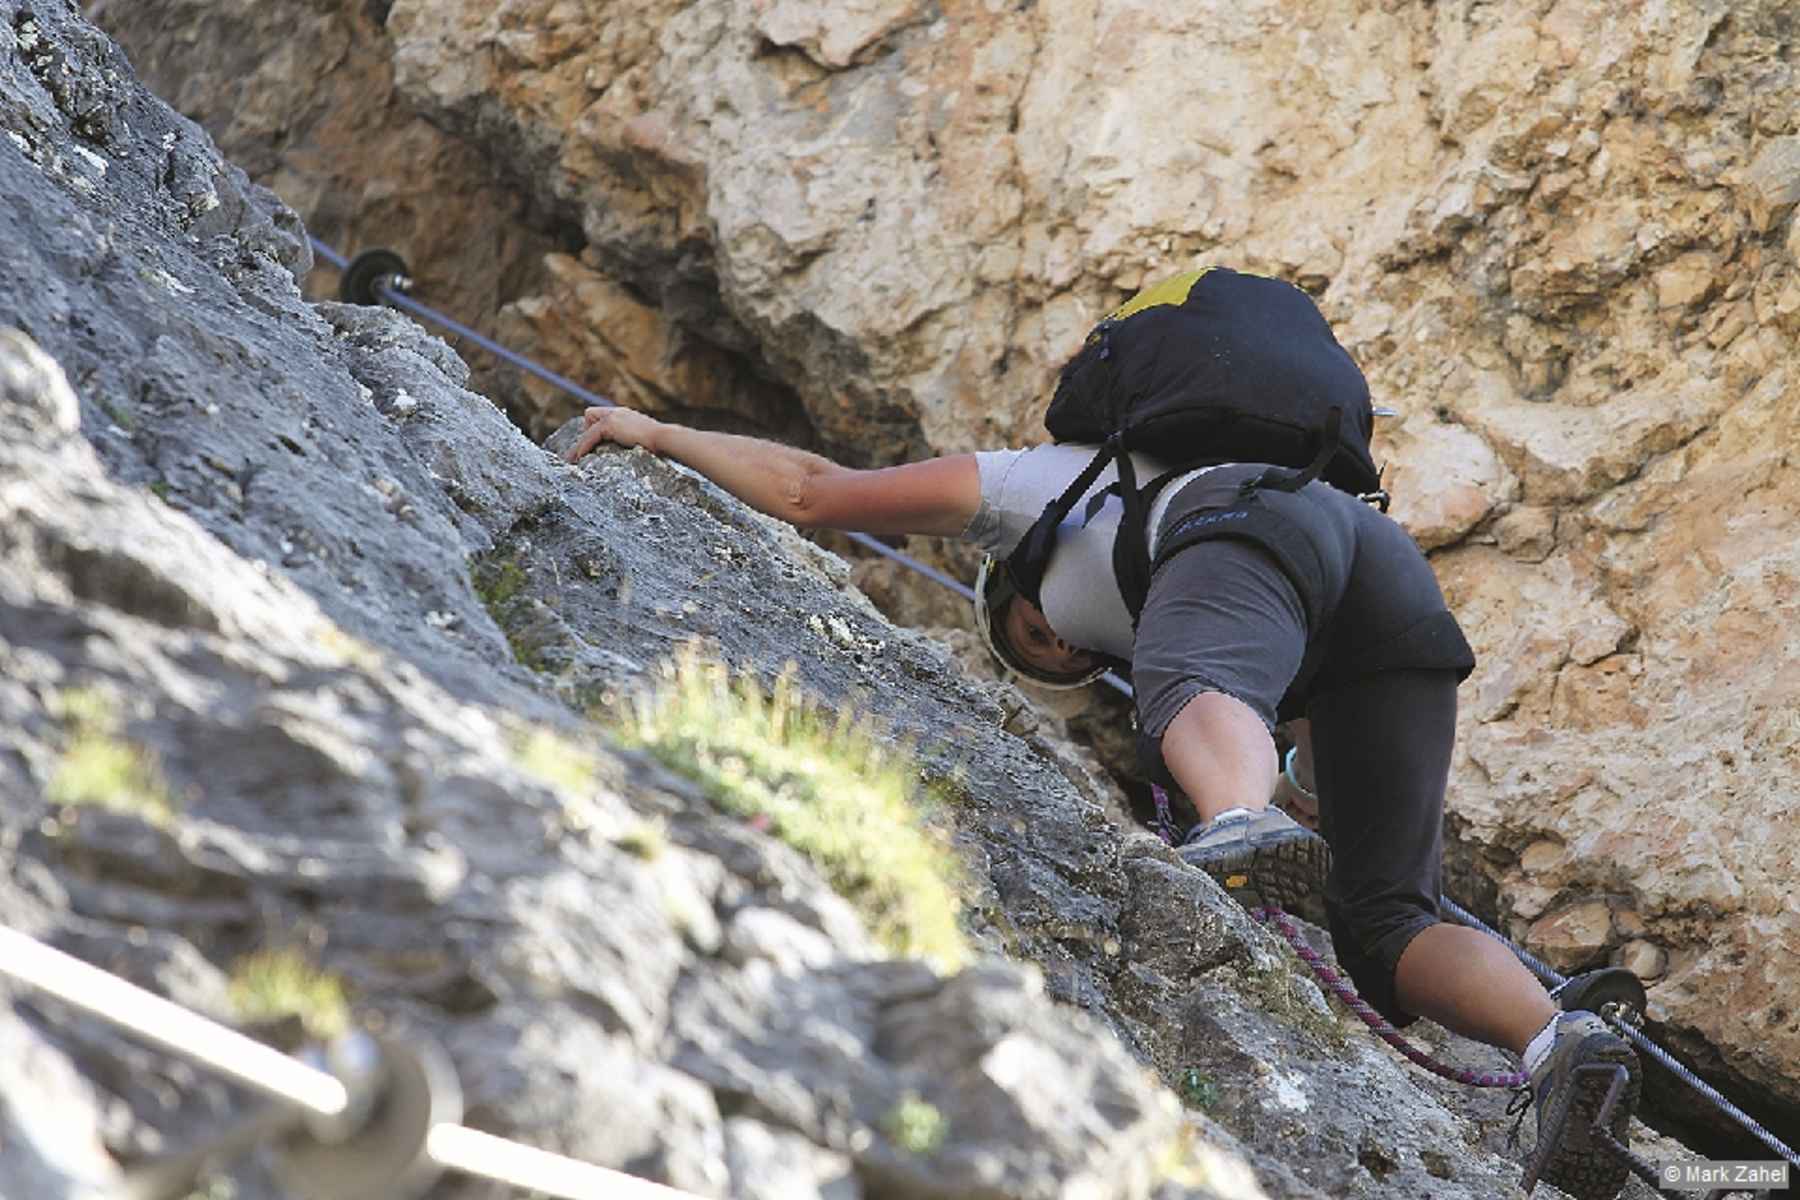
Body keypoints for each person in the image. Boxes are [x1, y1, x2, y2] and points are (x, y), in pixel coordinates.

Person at [562, 308, 1639, 1200]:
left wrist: (661, 436)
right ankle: (1561, 1045)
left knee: (1188, 687)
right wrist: (1295, 780)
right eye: (1059, 662)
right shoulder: (1190, 591)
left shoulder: (1032, 488)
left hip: (1249, 523)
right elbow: (1304, 719)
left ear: (1008, 581)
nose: (1066, 644)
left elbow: (813, 491)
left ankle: (1235, 821)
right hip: (1379, 576)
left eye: (1033, 632)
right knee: (1388, 921)